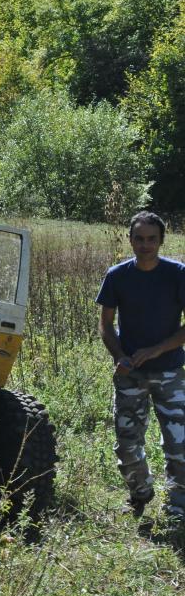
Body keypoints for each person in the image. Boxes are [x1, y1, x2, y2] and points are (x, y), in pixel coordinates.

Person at [96, 211, 185, 522]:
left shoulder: (178, 274)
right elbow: (106, 324)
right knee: (126, 444)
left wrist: (158, 348)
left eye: (151, 239)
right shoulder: (117, 275)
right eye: (139, 239)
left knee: (179, 443)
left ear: (161, 240)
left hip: (170, 371)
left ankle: (178, 506)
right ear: (130, 239)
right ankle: (140, 492)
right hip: (130, 372)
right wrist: (119, 354)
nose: (145, 245)